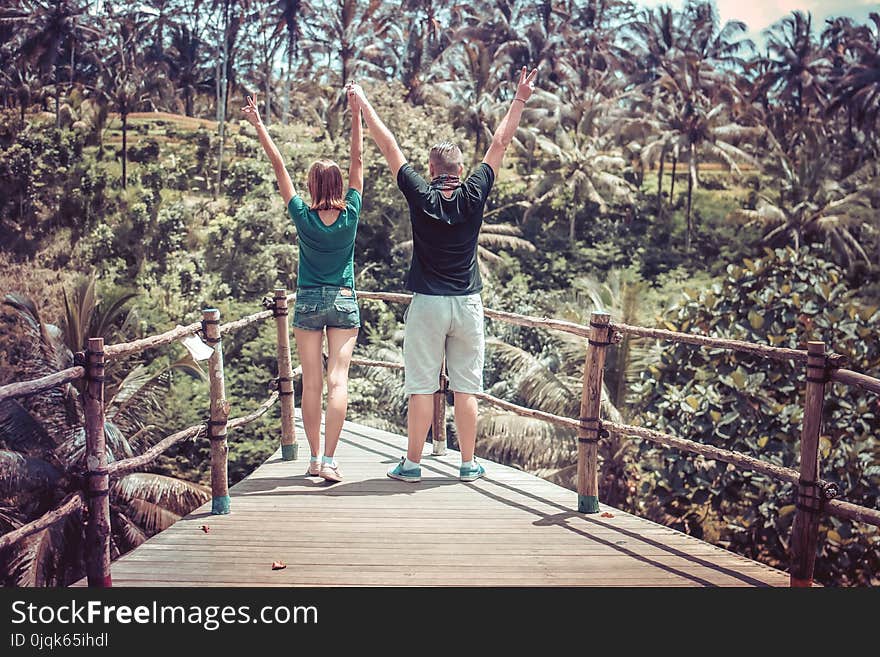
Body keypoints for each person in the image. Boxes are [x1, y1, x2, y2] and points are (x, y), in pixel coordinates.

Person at [348, 66, 538, 483]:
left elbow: (389, 144)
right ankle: (468, 464)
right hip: (468, 304)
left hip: (428, 305)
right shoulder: (475, 191)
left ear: (431, 170)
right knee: (466, 388)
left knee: (422, 386)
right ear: (459, 167)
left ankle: (413, 464)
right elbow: (501, 140)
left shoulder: (420, 193)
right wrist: (520, 96)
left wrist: (362, 104)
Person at [242, 87, 364, 483]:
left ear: (311, 186)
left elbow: (278, 165)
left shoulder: (302, 216)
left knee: (310, 382)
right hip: (344, 300)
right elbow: (359, 159)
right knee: (337, 381)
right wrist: (356, 112)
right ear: (339, 184)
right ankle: (330, 459)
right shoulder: (351, 213)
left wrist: (260, 124)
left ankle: (313, 458)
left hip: (309, 301)